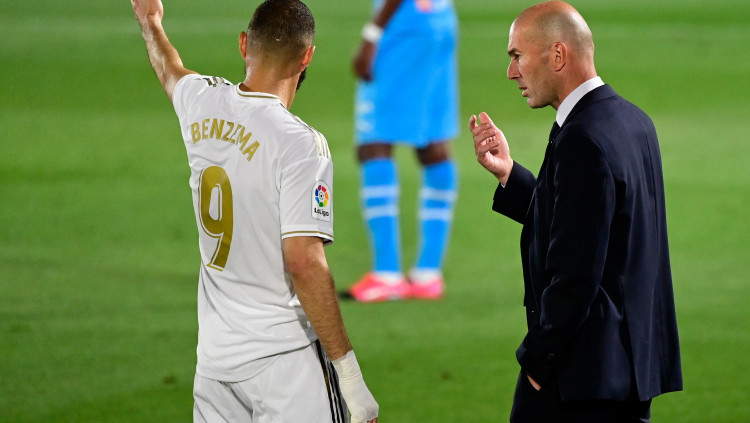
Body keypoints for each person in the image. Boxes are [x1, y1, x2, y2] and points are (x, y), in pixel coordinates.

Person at [131, 0, 379, 421]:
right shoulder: (300, 144)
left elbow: (168, 68)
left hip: (215, 365)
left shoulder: (201, 102)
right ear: (307, 57)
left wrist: (150, 21)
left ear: (244, 44)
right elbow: (304, 263)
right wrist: (351, 379)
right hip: (285, 366)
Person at [469, 2, 682, 422]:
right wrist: (509, 174)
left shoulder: (582, 138)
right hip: (627, 371)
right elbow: (588, 223)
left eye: (517, 56)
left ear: (558, 55)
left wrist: (538, 361)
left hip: (581, 380)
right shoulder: (632, 121)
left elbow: (576, 272)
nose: (511, 72)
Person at [348, 0, 459, 302]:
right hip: (439, 20)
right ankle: (427, 274)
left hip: (403, 28)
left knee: (374, 142)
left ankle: (386, 275)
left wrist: (372, 34)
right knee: (432, 142)